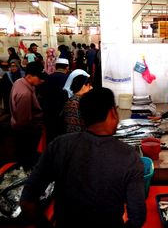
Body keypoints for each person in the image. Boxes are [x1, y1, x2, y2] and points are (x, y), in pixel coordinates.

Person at [20, 87, 147, 228]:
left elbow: (27, 200)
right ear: (113, 112)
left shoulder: (59, 146)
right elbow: (137, 217)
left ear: (83, 117)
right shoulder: (130, 157)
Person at [10, 61, 47, 169]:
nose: (41, 80)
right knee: (27, 158)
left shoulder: (19, 82)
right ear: (30, 76)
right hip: (26, 131)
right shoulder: (25, 94)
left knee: (23, 155)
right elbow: (23, 120)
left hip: (19, 127)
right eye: (39, 78)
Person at [39, 58, 70, 143]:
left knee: (51, 137)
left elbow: (42, 94)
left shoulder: (48, 78)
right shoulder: (68, 79)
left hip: (49, 113)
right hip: (62, 114)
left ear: (56, 67)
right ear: (67, 67)